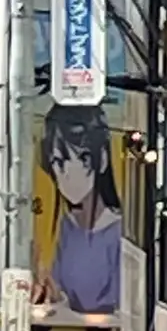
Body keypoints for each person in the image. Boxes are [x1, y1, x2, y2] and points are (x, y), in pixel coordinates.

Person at [37, 105, 123, 316]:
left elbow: (120, 310)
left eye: (82, 159)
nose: (66, 172)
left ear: (101, 159)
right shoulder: (62, 228)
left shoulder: (118, 234)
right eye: (57, 162)